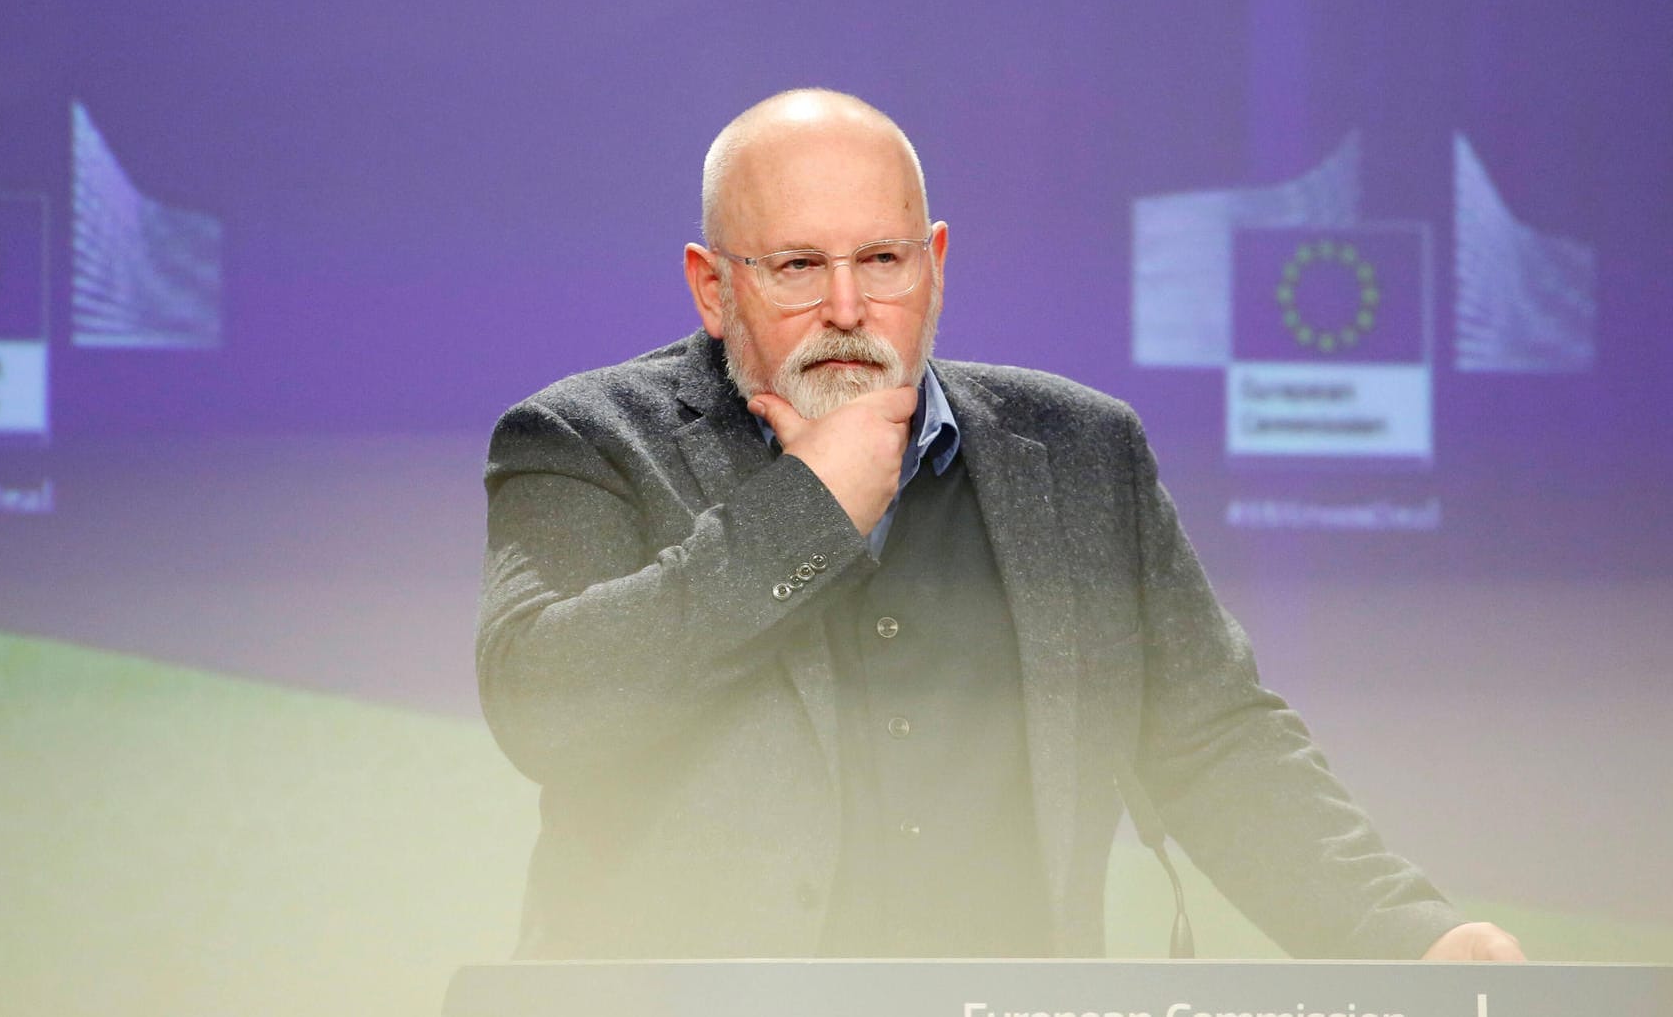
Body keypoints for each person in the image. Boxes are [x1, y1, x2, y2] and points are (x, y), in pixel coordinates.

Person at [476, 88, 1521, 962]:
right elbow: (550, 705)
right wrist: (808, 508)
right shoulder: (583, 438)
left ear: (933, 262)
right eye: (797, 266)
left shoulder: (1078, 452)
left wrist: (1406, 938)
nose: (847, 305)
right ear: (713, 286)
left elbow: (1213, 741)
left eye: (882, 260)